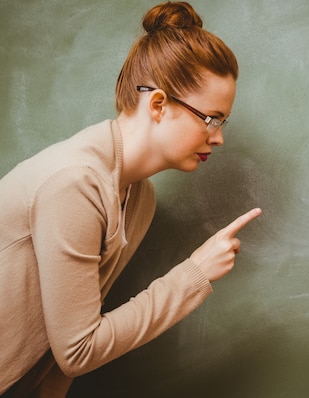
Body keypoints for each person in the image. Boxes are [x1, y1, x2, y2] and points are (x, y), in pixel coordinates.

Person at [0, 2, 261, 396]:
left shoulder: (139, 197)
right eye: (211, 118)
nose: (219, 137)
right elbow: (79, 349)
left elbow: (61, 355)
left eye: (223, 122)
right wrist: (196, 273)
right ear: (158, 105)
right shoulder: (78, 182)